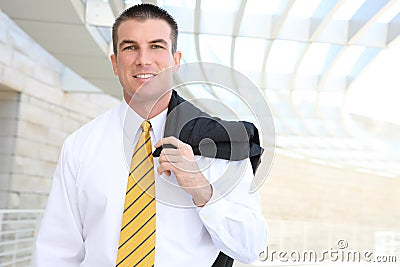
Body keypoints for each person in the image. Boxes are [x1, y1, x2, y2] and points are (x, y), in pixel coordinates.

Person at [35, 3, 267, 267]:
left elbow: (251, 248)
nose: (143, 59)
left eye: (156, 46)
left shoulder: (219, 142)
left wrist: (202, 189)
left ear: (176, 60)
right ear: (114, 62)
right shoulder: (79, 146)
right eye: (130, 47)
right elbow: (57, 250)